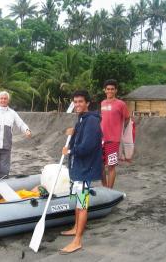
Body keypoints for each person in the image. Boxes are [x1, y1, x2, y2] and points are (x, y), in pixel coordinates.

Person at [60, 90, 102, 254]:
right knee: (77, 202)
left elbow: (87, 146)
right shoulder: (81, 120)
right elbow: (81, 138)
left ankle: (77, 240)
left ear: (87, 103)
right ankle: (76, 227)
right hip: (77, 169)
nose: (77, 104)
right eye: (75, 102)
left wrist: (69, 152)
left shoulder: (91, 121)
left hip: (85, 170)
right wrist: (74, 132)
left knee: (82, 205)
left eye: (80, 102)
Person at [101, 79, 130, 188]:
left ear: (116, 90)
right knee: (100, 166)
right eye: (108, 89)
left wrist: (120, 131)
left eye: (112, 89)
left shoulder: (121, 104)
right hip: (102, 140)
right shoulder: (102, 103)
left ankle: (109, 190)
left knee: (111, 166)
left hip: (113, 141)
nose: (110, 91)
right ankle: (105, 188)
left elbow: (127, 118)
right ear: (104, 90)